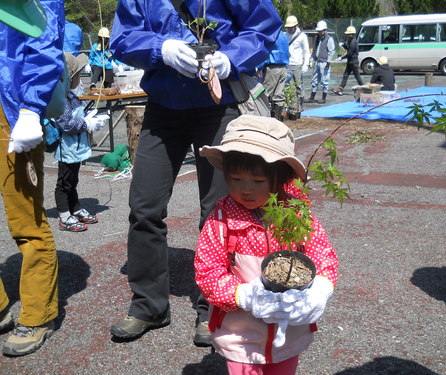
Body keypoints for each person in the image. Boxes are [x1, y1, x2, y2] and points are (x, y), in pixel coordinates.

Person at [108, 0, 282, 347]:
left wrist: (231, 57)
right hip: (162, 108)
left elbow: (263, 26)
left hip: (216, 108)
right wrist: (161, 49)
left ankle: (216, 307)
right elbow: (123, 37)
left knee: (220, 209)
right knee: (144, 206)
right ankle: (149, 306)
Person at [195, 115, 338, 374]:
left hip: (289, 332)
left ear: (281, 178)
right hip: (240, 334)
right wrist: (246, 296)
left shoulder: (298, 215)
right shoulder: (220, 220)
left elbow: (323, 258)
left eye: (258, 181)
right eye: (236, 179)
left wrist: (320, 290)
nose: (245, 189)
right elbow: (208, 273)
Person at [0, 0, 65, 356]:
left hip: (10, 108)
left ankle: (38, 315)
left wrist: (30, 107)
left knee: (26, 219)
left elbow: (43, 35)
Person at [53, 52, 108, 232]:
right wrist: (86, 123)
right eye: (77, 74)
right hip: (67, 148)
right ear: (67, 78)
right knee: (64, 183)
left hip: (76, 148)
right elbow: (66, 124)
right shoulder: (61, 99)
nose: (80, 77)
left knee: (73, 180)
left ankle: (74, 208)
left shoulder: (71, 96)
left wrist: (89, 117)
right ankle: (64, 216)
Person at [257, 30, 289, 121]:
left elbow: (265, 52)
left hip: (272, 68)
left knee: (265, 94)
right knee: (279, 95)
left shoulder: (271, 34)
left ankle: (264, 119)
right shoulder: (283, 35)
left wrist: (259, 67)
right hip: (283, 67)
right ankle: (278, 120)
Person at [304, 20, 335, 104]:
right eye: (318, 31)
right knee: (314, 80)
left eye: (320, 31)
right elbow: (314, 50)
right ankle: (312, 97)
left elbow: (331, 51)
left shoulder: (329, 39)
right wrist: (311, 60)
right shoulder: (317, 38)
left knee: (325, 80)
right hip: (317, 61)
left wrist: (328, 62)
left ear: (325, 30)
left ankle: (323, 98)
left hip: (324, 62)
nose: (319, 32)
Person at [284, 15, 310, 115]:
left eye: (291, 27)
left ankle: (300, 106)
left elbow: (306, 51)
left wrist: (305, 64)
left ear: (295, 26)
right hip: (287, 65)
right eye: (288, 27)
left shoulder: (302, 36)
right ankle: (287, 106)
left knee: (299, 86)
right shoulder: (284, 35)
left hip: (298, 65)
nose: (289, 29)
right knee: (286, 86)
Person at [332, 26, 363, 96]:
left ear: (352, 34)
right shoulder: (350, 40)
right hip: (350, 62)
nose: (348, 35)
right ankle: (341, 89)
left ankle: (365, 89)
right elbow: (348, 48)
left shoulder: (353, 42)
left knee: (357, 76)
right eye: (348, 34)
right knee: (345, 75)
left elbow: (349, 53)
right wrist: (343, 45)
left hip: (354, 62)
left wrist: (341, 57)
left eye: (349, 34)